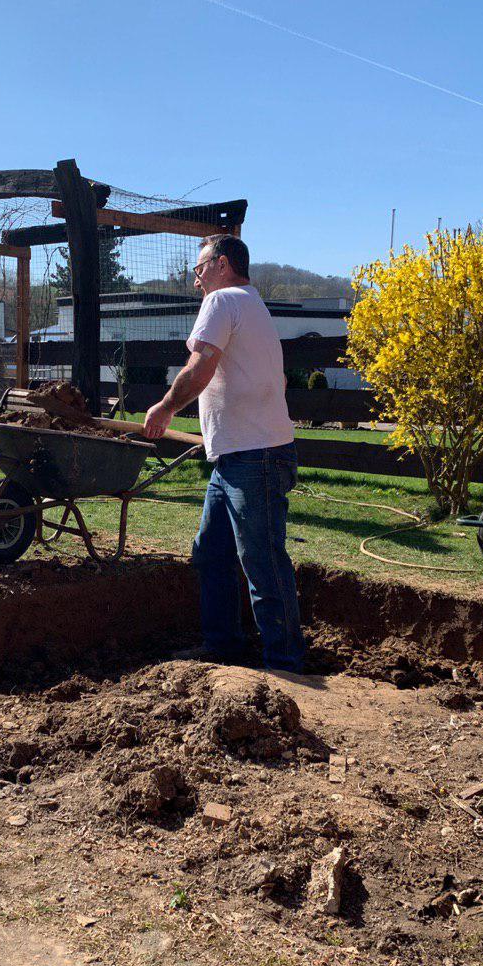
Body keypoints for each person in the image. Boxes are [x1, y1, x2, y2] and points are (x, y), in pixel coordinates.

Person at [143, 234, 307, 673]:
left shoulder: (222, 302)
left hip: (255, 457)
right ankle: (223, 645)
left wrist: (165, 407)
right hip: (236, 457)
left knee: (262, 559)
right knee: (212, 553)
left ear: (223, 263)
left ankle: (285, 664)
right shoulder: (253, 306)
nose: (196, 279)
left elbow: (200, 366)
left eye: (199, 268)